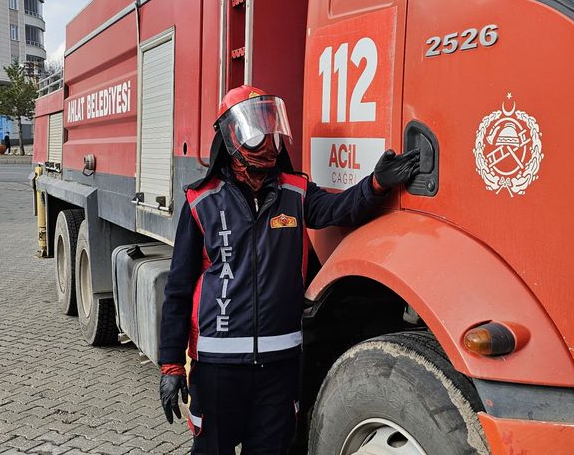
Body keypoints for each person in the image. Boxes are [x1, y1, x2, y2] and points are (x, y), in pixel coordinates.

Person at [158, 85, 420, 454]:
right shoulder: (201, 202)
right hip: (218, 369)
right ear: (232, 135)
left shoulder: (294, 193)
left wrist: (375, 184)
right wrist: (170, 364)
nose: (266, 137)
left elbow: (338, 209)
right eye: (256, 127)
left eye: (270, 124)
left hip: (278, 369)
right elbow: (179, 288)